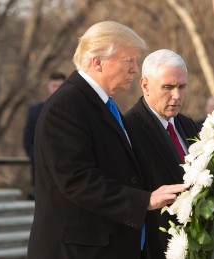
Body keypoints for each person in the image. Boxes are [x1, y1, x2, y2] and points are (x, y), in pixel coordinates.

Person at [27, 21, 186, 259]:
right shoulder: (66, 106)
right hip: (77, 250)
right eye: (128, 60)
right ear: (97, 62)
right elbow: (77, 181)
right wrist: (145, 200)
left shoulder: (100, 104)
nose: (135, 68)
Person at [125, 49, 199, 259]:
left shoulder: (188, 125)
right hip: (153, 247)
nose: (177, 96)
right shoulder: (128, 128)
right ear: (145, 85)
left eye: (182, 86)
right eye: (168, 87)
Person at [23, 72, 66, 200]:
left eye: (60, 86)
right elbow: (27, 140)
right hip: (40, 171)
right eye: (54, 85)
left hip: (66, 171)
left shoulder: (76, 110)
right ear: (48, 86)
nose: (57, 89)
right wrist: (39, 157)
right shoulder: (35, 111)